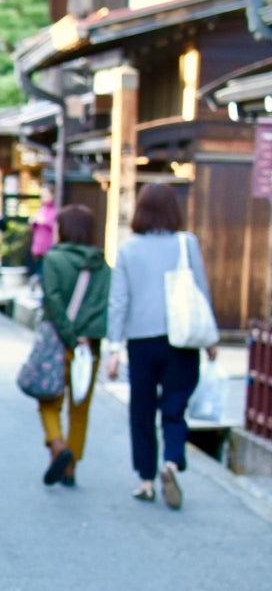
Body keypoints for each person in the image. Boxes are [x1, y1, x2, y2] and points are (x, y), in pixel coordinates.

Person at [106, 182, 216, 509]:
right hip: (181, 338)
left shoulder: (128, 249)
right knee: (175, 405)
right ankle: (170, 461)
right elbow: (200, 290)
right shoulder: (187, 243)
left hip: (141, 342)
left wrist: (114, 348)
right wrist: (210, 339)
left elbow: (118, 301)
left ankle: (145, 480)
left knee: (141, 410)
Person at [37, 205, 110, 486]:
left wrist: (69, 335)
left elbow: (53, 301)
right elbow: (104, 306)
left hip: (58, 343)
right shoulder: (102, 265)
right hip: (89, 347)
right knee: (80, 409)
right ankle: (71, 467)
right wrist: (86, 336)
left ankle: (58, 446)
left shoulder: (54, 259)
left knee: (48, 401)